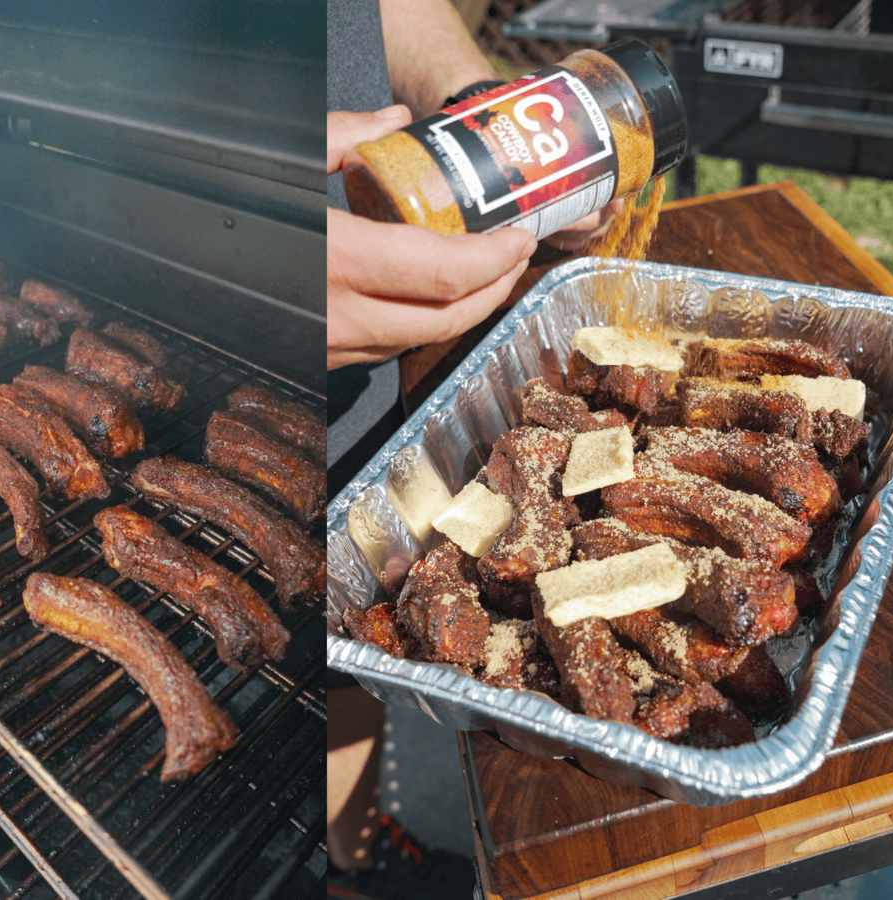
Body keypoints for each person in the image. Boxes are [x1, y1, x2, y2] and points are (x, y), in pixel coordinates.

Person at [327, 2, 620, 898]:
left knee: (342, 596)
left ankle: (351, 850)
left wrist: (497, 121)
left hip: (369, 278)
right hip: (259, 265)